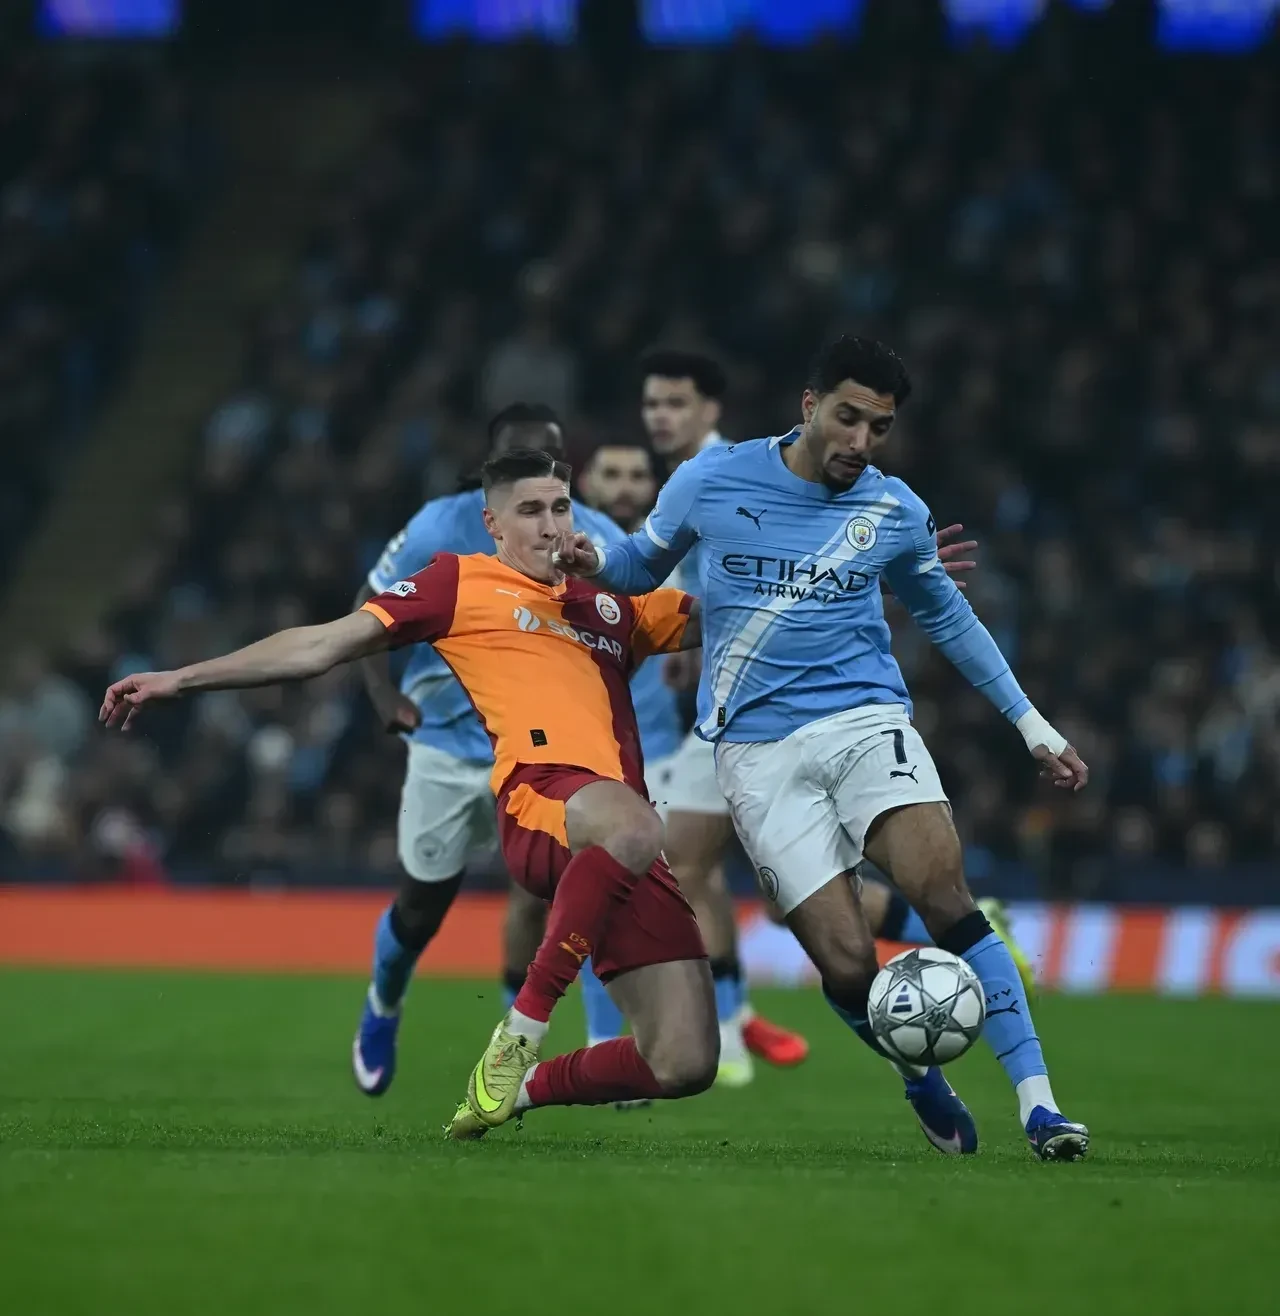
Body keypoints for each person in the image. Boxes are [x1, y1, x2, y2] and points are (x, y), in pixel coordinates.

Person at [556, 335, 1091, 1161]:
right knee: (844, 964)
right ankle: (919, 1075)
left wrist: (1031, 724)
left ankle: (1041, 1107)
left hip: (864, 722)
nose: (861, 442)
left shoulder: (894, 511)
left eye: (880, 427)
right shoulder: (711, 479)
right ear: (809, 406)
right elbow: (638, 566)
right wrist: (594, 558)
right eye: (848, 418)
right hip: (755, 752)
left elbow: (948, 616)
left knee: (943, 891)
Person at [101, 448, 717, 1139]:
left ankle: (515, 1091)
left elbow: (733, 612)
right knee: (636, 826)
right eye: (530, 510)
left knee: (684, 1060)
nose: (551, 525)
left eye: (560, 507)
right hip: (542, 799)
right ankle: (519, 1033)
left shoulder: (612, 601)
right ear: (493, 523)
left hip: (619, 838)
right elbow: (322, 645)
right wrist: (181, 679)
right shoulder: (460, 581)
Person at [349, 404, 659, 1097]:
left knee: (586, 886)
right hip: (449, 746)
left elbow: (639, 614)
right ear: (490, 472)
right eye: (521, 458)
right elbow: (368, 602)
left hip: (546, 753)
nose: (539, 474)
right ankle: (383, 1002)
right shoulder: (441, 525)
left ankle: (601, 1038)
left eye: (550, 461)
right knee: (423, 906)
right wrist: (382, 694)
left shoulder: (591, 535)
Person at [637, 349, 806, 1082]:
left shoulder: (724, 476)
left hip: (762, 706)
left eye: (675, 403)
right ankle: (732, 1024)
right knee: (691, 864)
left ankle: (958, 924)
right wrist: (691, 642)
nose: (660, 416)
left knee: (786, 891)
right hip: (724, 706)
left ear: (710, 409)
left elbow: (766, 579)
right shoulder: (695, 478)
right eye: (652, 403)